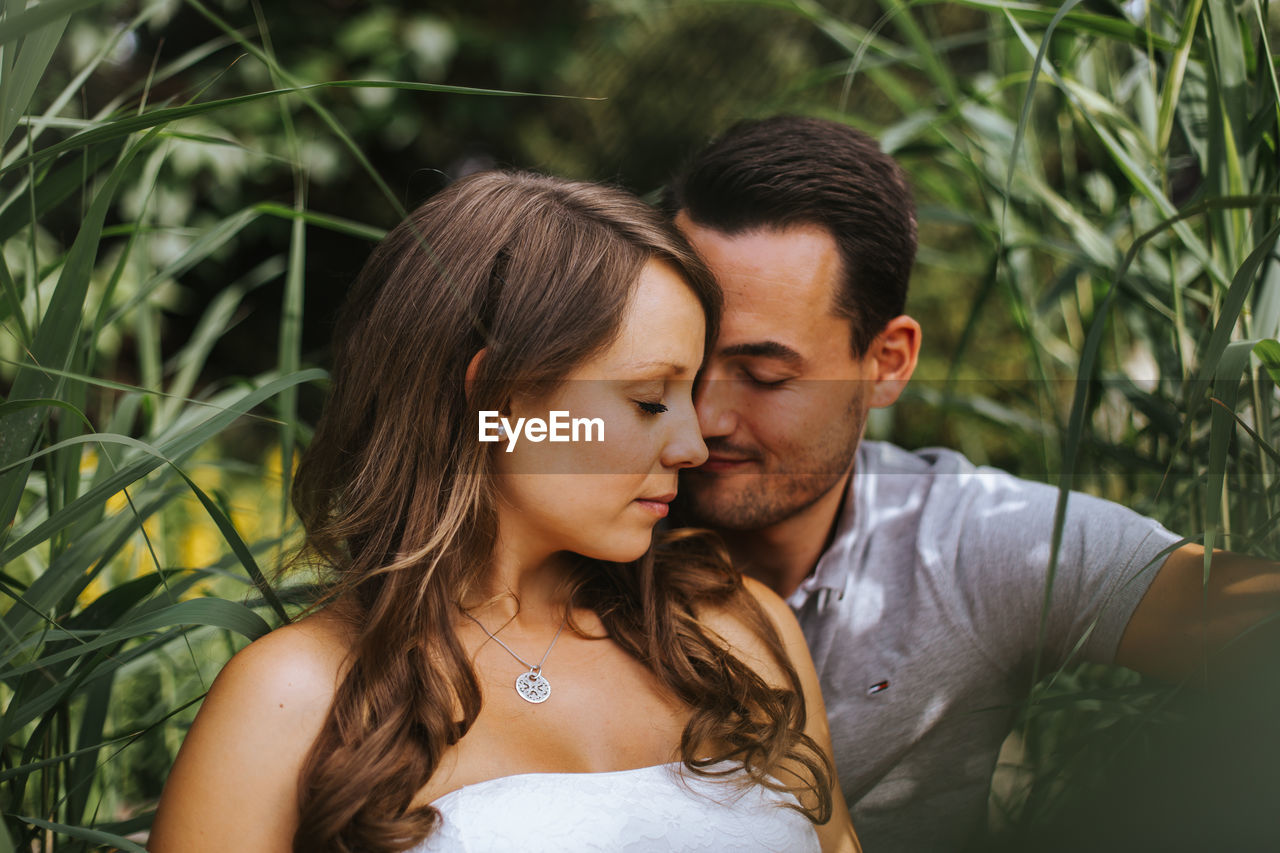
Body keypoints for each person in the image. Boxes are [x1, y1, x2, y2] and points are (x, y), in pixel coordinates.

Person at [148, 171, 859, 853]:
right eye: (648, 398)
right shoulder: (294, 696)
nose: (693, 444)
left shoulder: (736, 633)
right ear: (497, 401)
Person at [663, 114, 1280, 851]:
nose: (702, 417)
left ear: (888, 361)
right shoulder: (580, 518)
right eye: (682, 363)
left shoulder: (975, 544)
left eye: (765, 375)